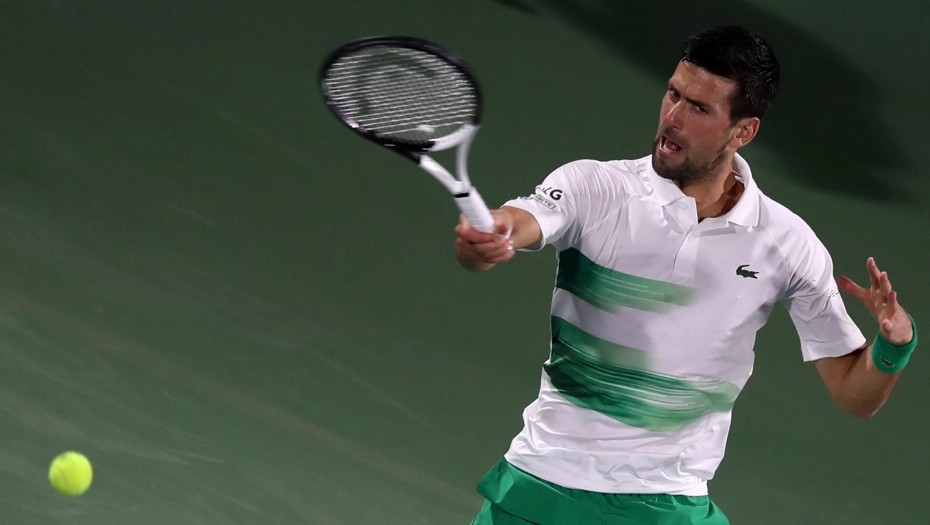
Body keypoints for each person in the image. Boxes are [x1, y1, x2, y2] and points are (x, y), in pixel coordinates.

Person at [454, 26, 918, 525]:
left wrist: (893, 345)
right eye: (673, 94)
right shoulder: (595, 187)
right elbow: (519, 223)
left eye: (698, 108)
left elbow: (854, 395)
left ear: (743, 131)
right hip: (544, 487)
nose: (672, 118)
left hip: (670, 500)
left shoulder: (787, 244)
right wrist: (491, 237)